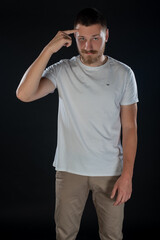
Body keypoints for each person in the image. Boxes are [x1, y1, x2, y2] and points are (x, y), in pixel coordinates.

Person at [16, 8, 138, 240]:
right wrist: (48, 49)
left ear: (106, 36)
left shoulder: (124, 74)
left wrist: (127, 176)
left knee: (112, 235)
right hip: (70, 169)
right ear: (74, 38)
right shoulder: (63, 69)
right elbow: (24, 94)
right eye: (82, 39)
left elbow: (130, 128)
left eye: (95, 38)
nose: (88, 46)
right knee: (65, 235)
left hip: (110, 171)